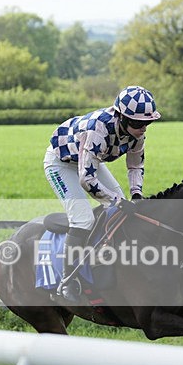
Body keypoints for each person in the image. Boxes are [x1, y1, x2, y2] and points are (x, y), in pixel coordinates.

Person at [44, 85, 161, 300]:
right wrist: (117, 200)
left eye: (147, 123)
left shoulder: (137, 134)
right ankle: (66, 282)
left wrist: (136, 195)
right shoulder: (97, 130)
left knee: (124, 208)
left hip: (87, 159)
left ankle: (114, 264)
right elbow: (86, 180)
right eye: (137, 123)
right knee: (83, 219)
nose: (143, 128)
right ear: (121, 118)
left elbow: (135, 166)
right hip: (61, 162)